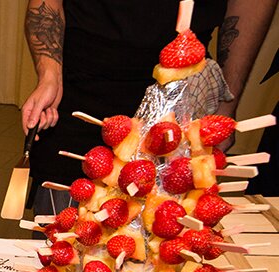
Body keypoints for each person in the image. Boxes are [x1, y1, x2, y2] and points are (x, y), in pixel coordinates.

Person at [20, 0, 277, 217]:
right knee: (66, 242)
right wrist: (49, 75)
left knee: (169, 239)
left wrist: (226, 101)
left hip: (184, 93)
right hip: (81, 88)